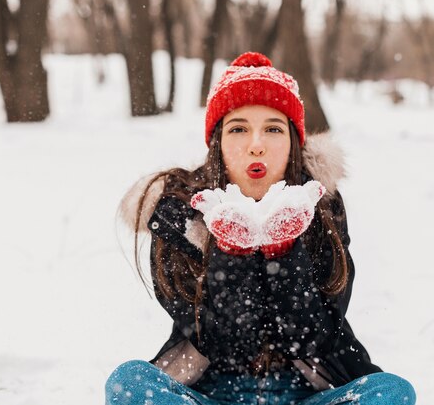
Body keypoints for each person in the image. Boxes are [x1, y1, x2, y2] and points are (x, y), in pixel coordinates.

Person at [108, 52, 416, 405]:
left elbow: (314, 337)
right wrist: (232, 253)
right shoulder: (179, 212)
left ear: (294, 144)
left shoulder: (323, 207)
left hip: (308, 392)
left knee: (392, 393)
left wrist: (284, 252)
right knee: (128, 383)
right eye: (238, 129)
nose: (257, 145)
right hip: (208, 393)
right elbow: (220, 343)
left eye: (273, 128)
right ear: (217, 144)